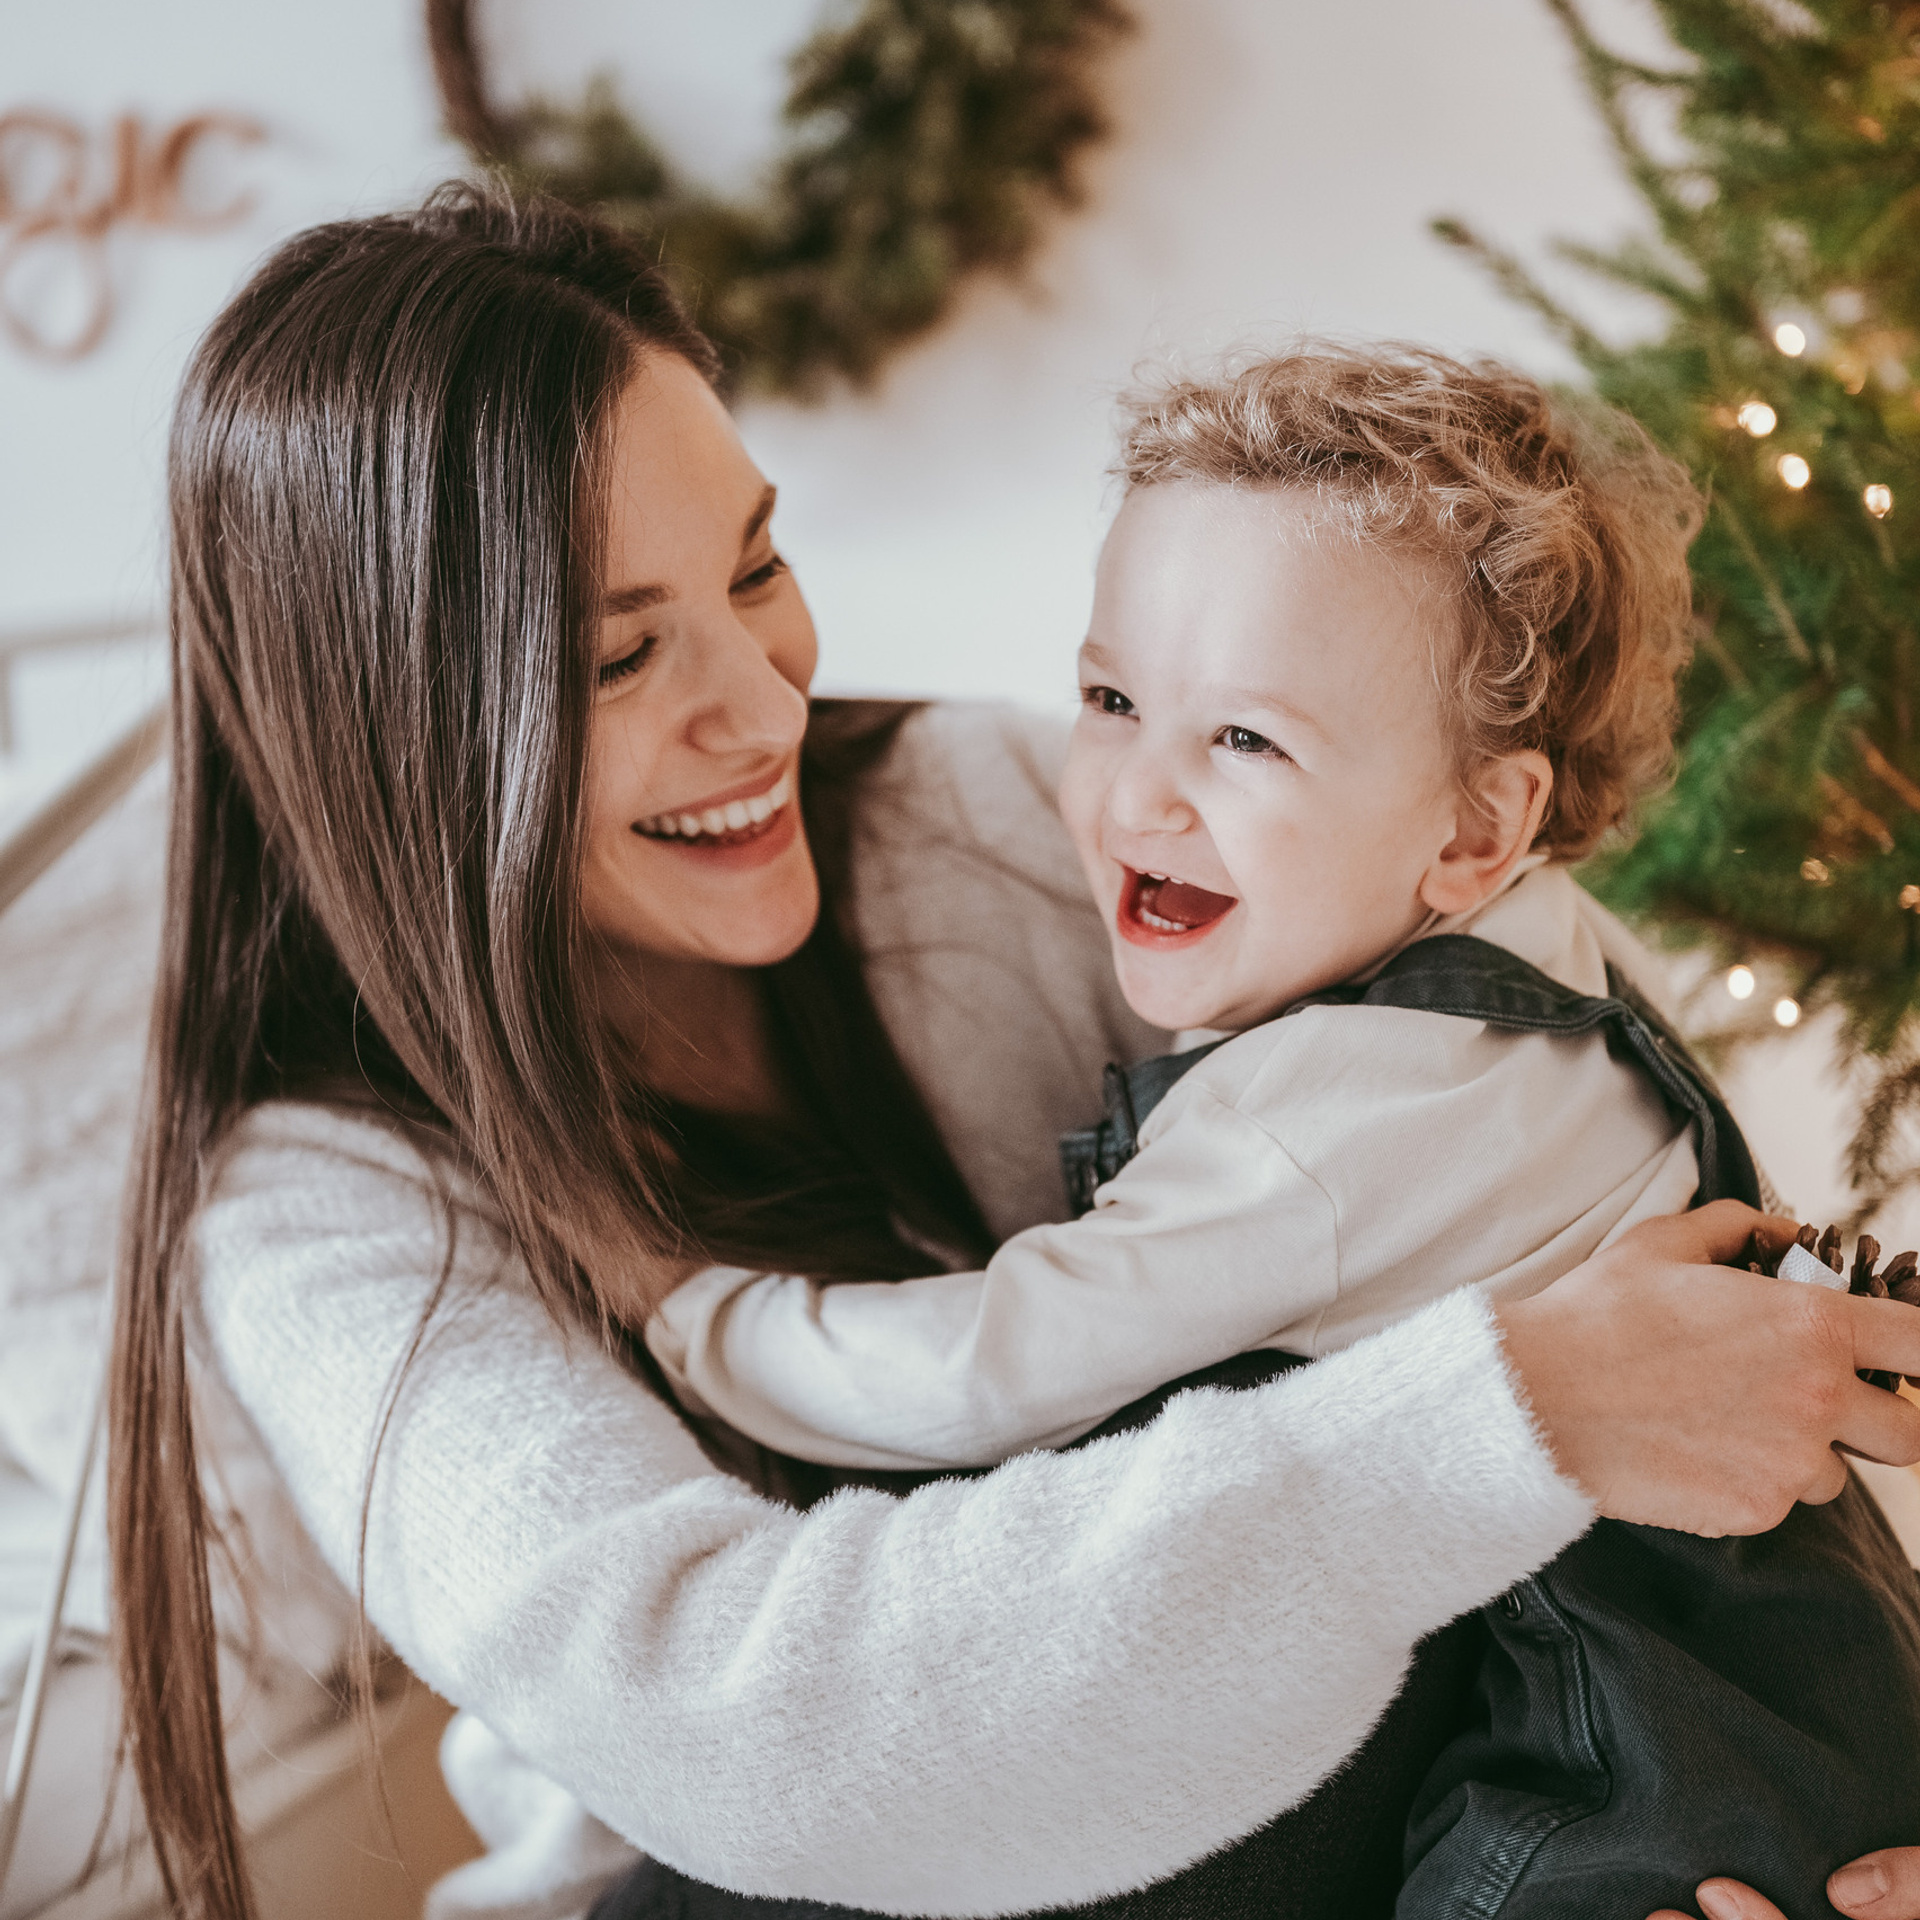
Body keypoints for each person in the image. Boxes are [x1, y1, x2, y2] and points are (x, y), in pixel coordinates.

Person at [104, 182, 1920, 1920]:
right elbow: (771, 1742)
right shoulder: (326, 1213)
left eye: (755, 568)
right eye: (613, 660)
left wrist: (1832, 1779)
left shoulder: (979, 820)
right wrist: (1513, 1418)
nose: (760, 703)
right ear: (393, 739)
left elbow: (1625, 1197)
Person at [641, 346, 1920, 1919]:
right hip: (1820, 1657)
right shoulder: (1557, 947)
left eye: (1243, 740)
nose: (1138, 798)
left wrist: (694, 1312)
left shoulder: (1314, 1126)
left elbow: (990, 1369)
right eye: (1111, 700)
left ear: (1471, 828)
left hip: (1618, 1767)